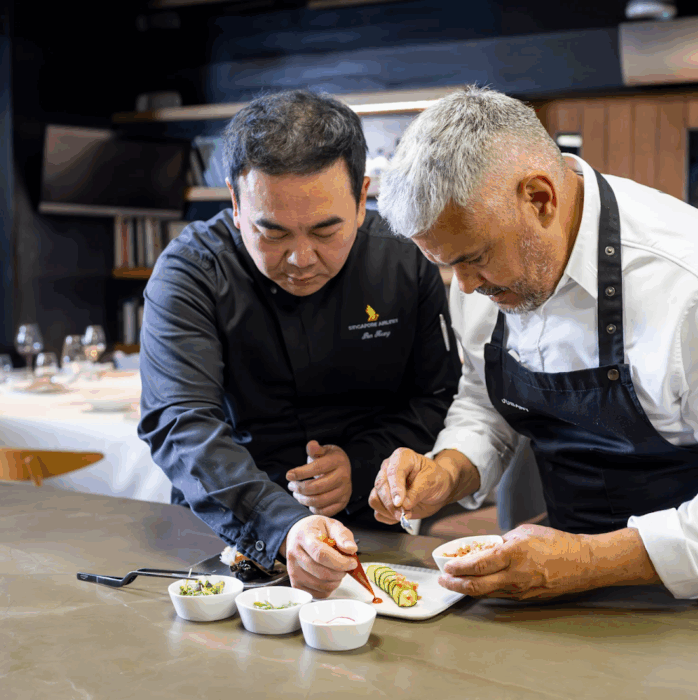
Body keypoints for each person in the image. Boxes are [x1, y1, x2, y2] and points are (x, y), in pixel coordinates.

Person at [370, 86, 698, 600]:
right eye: (443, 264)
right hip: (567, 590)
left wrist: (587, 561)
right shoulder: (479, 272)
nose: (466, 286)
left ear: (540, 198)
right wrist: (448, 470)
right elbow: (485, 402)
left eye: (472, 258)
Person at [138, 90, 461, 597]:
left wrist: (358, 465)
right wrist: (281, 523)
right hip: (228, 521)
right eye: (273, 233)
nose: (300, 258)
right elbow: (180, 422)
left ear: (361, 200)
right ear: (236, 204)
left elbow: (436, 395)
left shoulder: (403, 263)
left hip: (366, 525)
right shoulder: (191, 272)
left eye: (325, 230)